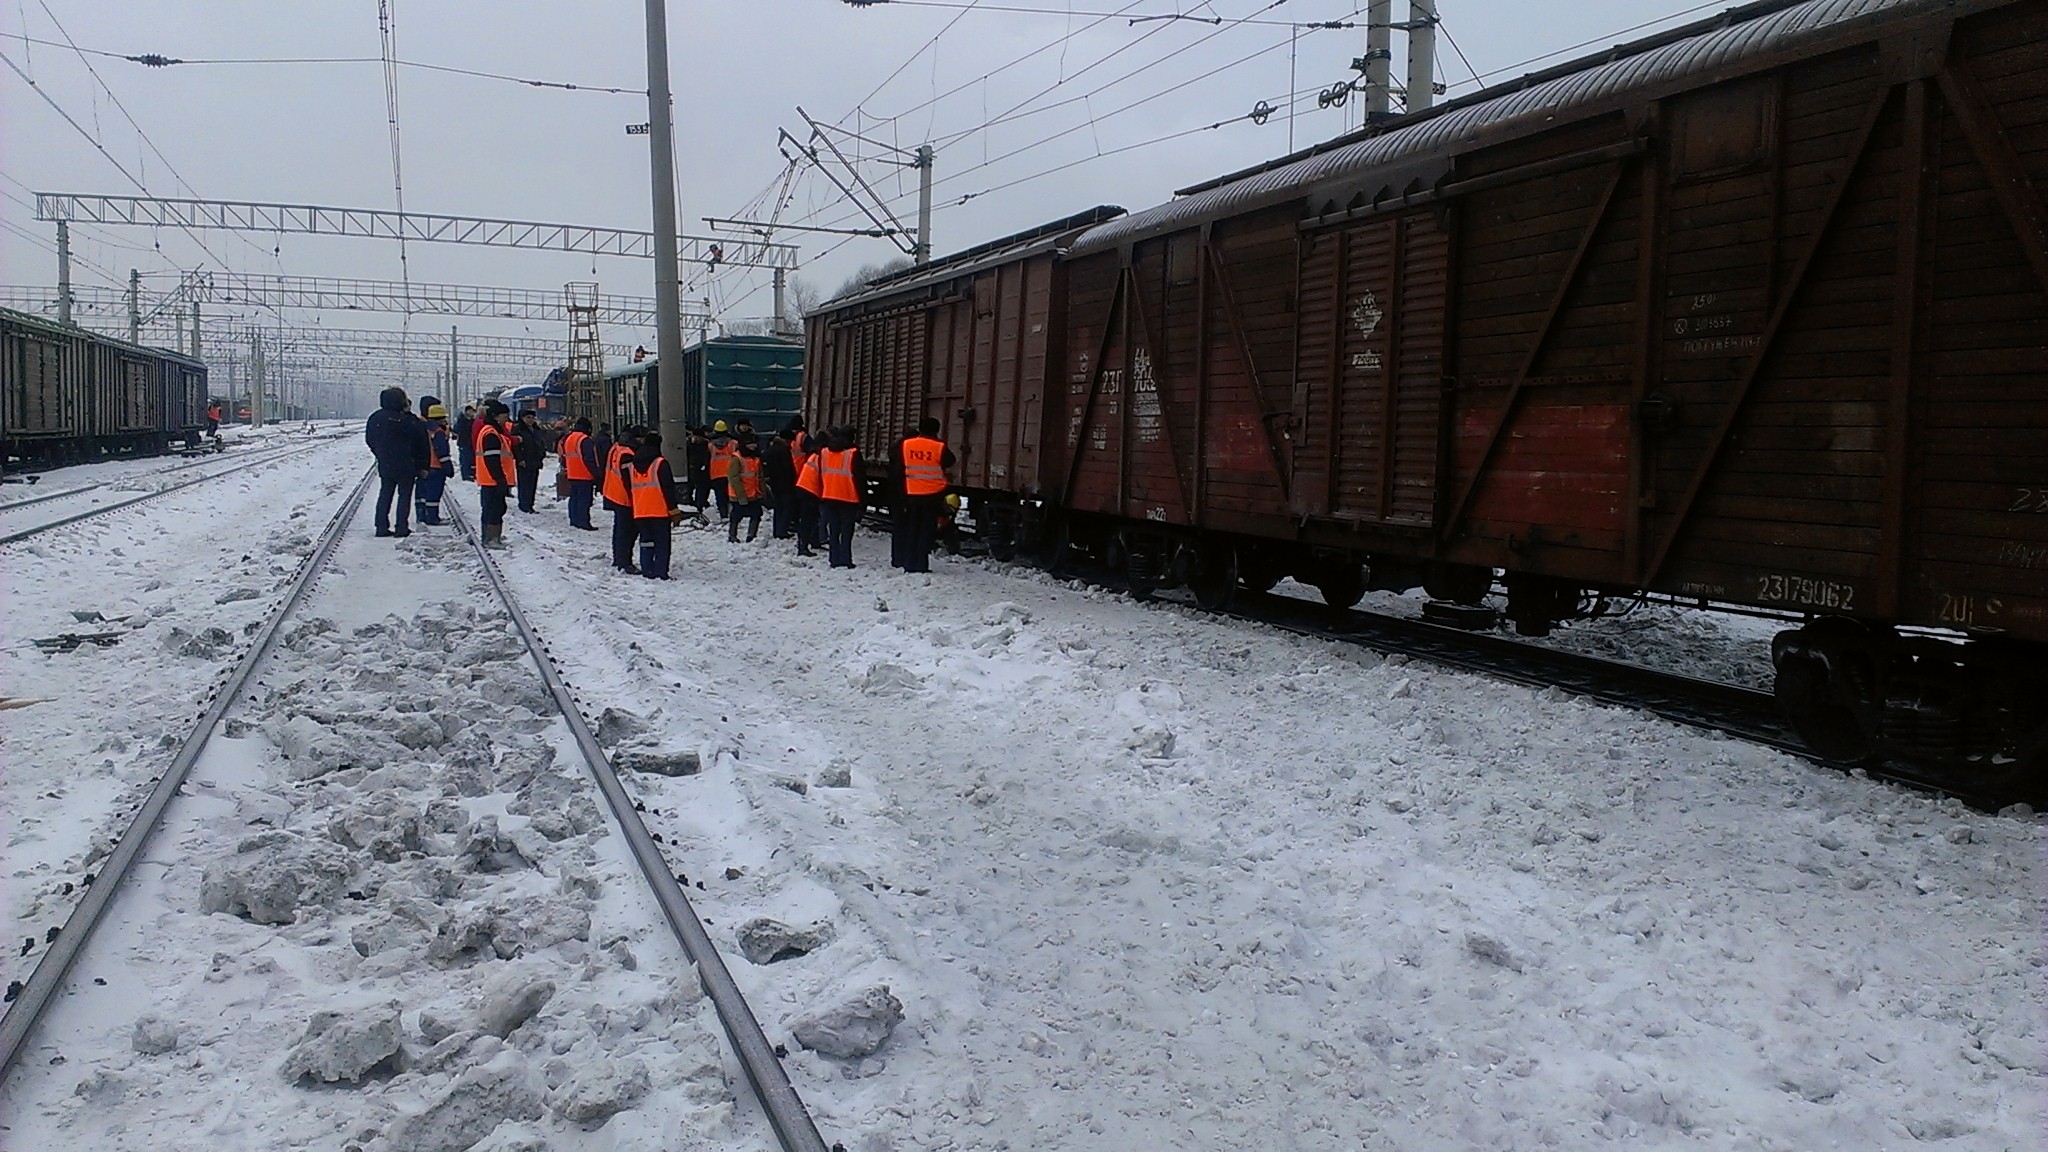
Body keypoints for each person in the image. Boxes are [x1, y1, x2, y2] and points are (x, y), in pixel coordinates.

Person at [365, 385, 429, 539]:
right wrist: (422, 465)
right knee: (404, 496)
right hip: (407, 463)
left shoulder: (375, 418)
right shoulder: (410, 421)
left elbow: (370, 439)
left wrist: (380, 453)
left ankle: (381, 526)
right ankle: (401, 526)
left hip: (386, 462)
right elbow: (422, 444)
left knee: (385, 493)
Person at [894, 416, 956, 574]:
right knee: (926, 531)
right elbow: (950, 461)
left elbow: (899, 466)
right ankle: (921, 564)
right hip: (933, 495)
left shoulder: (906, 444)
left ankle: (909, 563)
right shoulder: (939, 446)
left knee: (912, 529)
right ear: (936, 430)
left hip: (912, 493)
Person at [627, 430, 683, 579]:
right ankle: (660, 572)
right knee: (662, 544)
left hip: (640, 510)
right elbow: (668, 489)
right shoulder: (660, 463)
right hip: (659, 510)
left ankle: (647, 570)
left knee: (646, 541)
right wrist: (674, 510)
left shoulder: (633, 465)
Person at [816, 425, 867, 569]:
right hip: (848, 497)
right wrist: (863, 500)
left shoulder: (825, 451)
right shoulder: (853, 453)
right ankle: (846, 559)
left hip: (829, 495)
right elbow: (860, 479)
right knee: (846, 531)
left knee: (834, 529)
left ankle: (834, 559)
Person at [601, 426, 643, 573]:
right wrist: (636, 499)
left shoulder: (617, 447)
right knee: (627, 532)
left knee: (619, 530)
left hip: (614, 493)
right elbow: (629, 479)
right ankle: (624, 562)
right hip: (624, 498)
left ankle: (619, 558)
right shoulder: (627, 454)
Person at [475, 402, 516, 548]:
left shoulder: (491, 431)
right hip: (493, 479)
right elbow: (492, 460)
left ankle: (489, 536)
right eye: (505, 416)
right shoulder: (491, 434)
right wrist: (500, 479)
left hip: (489, 479)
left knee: (491, 508)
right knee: (495, 509)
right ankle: (492, 539)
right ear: (496, 417)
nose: (507, 419)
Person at [415, 404, 454, 525]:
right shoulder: (438, 432)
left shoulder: (422, 429)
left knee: (422, 493)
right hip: (436, 467)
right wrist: (448, 468)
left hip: (424, 466)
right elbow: (442, 451)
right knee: (434, 494)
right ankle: (432, 518)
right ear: (440, 418)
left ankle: (421, 516)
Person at [559, 416, 599, 530]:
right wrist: (597, 473)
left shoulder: (569, 438)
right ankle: (583, 522)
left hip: (572, 473)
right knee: (584, 500)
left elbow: (564, 456)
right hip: (584, 475)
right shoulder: (585, 440)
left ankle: (574, 520)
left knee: (574, 499)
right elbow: (589, 459)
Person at [727, 438, 767, 543]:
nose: (754, 446)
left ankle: (751, 535)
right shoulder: (737, 458)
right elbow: (734, 478)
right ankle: (732, 536)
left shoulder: (756, 458)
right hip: (739, 494)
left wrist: (762, 492)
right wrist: (741, 496)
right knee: (736, 516)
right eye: (751, 444)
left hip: (753, 493)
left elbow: (760, 477)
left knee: (756, 514)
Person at [764, 427, 799, 540]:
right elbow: (788, 468)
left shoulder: (770, 449)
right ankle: (782, 530)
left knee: (778, 507)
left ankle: (777, 530)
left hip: (774, 483)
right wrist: (794, 480)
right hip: (785, 483)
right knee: (788, 507)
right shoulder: (783, 450)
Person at [513, 411, 546, 513]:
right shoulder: (518, 429)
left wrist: (541, 455)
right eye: (528, 417)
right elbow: (515, 446)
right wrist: (520, 459)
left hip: (535, 460)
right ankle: (524, 504)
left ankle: (530, 504)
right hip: (524, 460)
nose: (530, 420)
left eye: (532, 418)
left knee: (532, 484)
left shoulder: (536, 429)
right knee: (524, 484)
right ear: (522, 418)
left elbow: (540, 443)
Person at [794, 445, 823, 558]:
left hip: (804, 487)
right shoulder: (821, 458)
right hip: (811, 490)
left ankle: (812, 542)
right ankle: (803, 546)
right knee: (808, 520)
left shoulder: (814, 456)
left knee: (811, 518)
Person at [706, 420, 739, 518]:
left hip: (716, 474)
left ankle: (723, 514)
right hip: (731, 473)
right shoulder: (733, 443)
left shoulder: (710, 445)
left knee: (720, 496)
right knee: (732, 495)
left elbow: (706, 460)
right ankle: (733, 513)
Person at [685, 426, 712, 511]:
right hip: (691, 469)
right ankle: (691, 502)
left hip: (701, 470)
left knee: (702, 488)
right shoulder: (688, 445)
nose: (696, 439)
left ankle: (699, 504)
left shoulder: (707, 446)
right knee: (691, 487)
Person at [454, 404, 478, 481]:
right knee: (465, 459)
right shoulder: (462, 420)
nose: (472, 413)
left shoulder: (470, 420)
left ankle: (470, 473)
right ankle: (466, 474)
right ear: (466, 411)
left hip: (469, 443)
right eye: (470, 411)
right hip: (464, 443)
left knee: (470, 459)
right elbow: (458, 430)